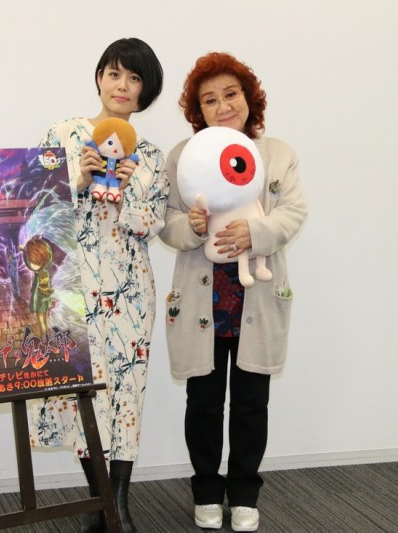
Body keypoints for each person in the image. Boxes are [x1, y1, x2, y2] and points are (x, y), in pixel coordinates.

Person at [159, 52, 308, 532]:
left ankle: (244, 493)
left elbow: (294, 212)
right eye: (210, 100)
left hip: (255, 300)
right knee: (203, 403)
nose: (223, 106)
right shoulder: (183, 157)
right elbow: (166, 221)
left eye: (230, 94)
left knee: (250, 403)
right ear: (197, 110)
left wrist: (256, 234)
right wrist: (191, 226)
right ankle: (206, 490)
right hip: (202, 301)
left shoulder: (277, 154)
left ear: (248, 98)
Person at [29, 37, 167, 533]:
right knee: (81, 394)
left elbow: (153, 223)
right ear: (99, 78)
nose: (122, 85)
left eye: (135, 78)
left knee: (127, 392)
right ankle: (101, 503)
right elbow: (35, 208)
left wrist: (127, 195)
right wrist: (79, 180)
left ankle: (118, 508)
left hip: (130, 289)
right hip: (71, 288)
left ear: (146, 91)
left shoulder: (150, 156)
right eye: (115, 73)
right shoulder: (63, 134)